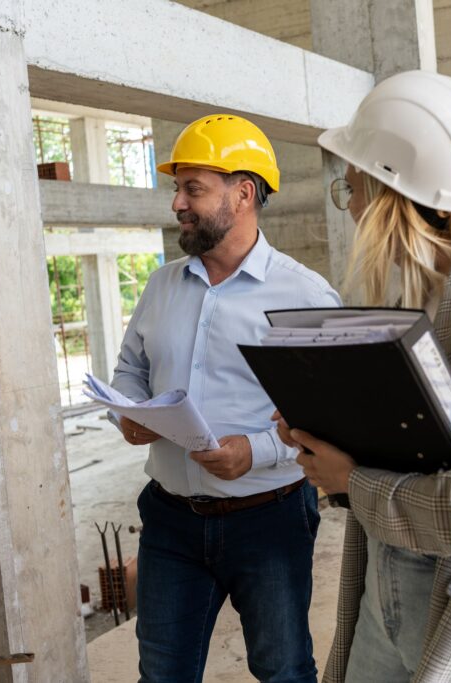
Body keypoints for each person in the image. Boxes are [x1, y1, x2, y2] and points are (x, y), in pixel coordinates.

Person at [274, 70, 451, 682]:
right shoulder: (396, 300)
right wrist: (322, 430)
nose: (348, 204)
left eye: (350, 186)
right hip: (385, 582)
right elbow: (406, 444)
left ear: (386, 192)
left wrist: (354, 481)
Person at [110, 113, 340, 683]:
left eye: (193, 189)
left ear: (242, 194)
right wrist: (130, 411)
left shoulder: (304, 296)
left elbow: (332, 419)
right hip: (169, 521)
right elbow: (129, 369)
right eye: (177, 188)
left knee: (283, 669)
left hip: (270, 521)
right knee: (162, 674)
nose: (177, 204)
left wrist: (256, 452)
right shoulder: (162, 285)